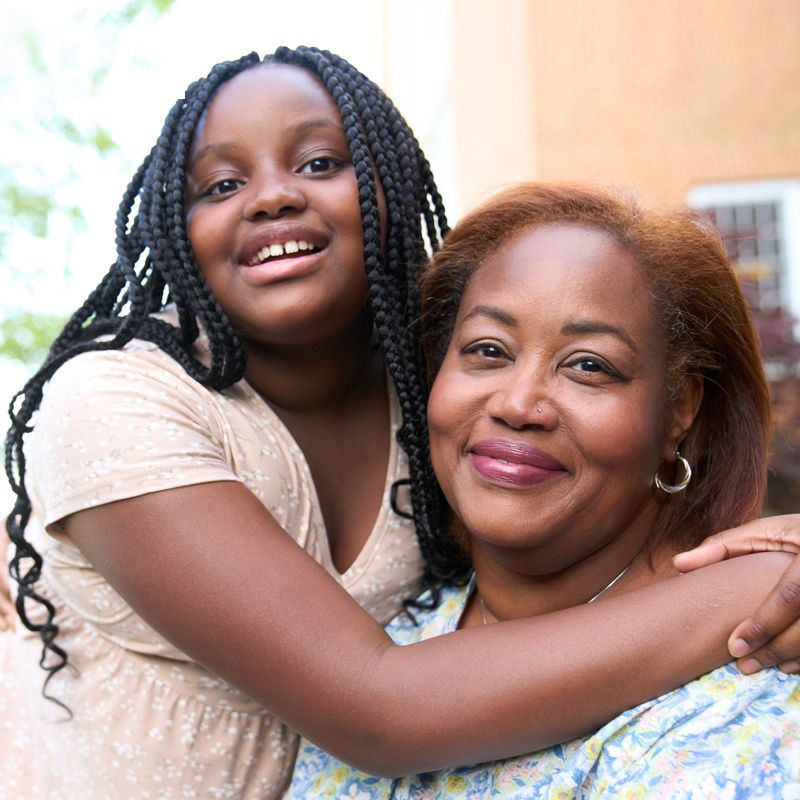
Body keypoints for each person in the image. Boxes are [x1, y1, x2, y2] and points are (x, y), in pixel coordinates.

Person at [1, 48, 799, 798]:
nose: (518, 402)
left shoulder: (422, 387)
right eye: (217, 185)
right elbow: (379, 706)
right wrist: (754, 588)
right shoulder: (121, 400)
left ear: (390, 188)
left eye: (320, 162)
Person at [287, 183, 800, 798]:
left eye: (588, 364)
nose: (518, 403)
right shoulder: (389, 636)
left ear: (680, 413)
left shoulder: (743, 721)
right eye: (486, 350)